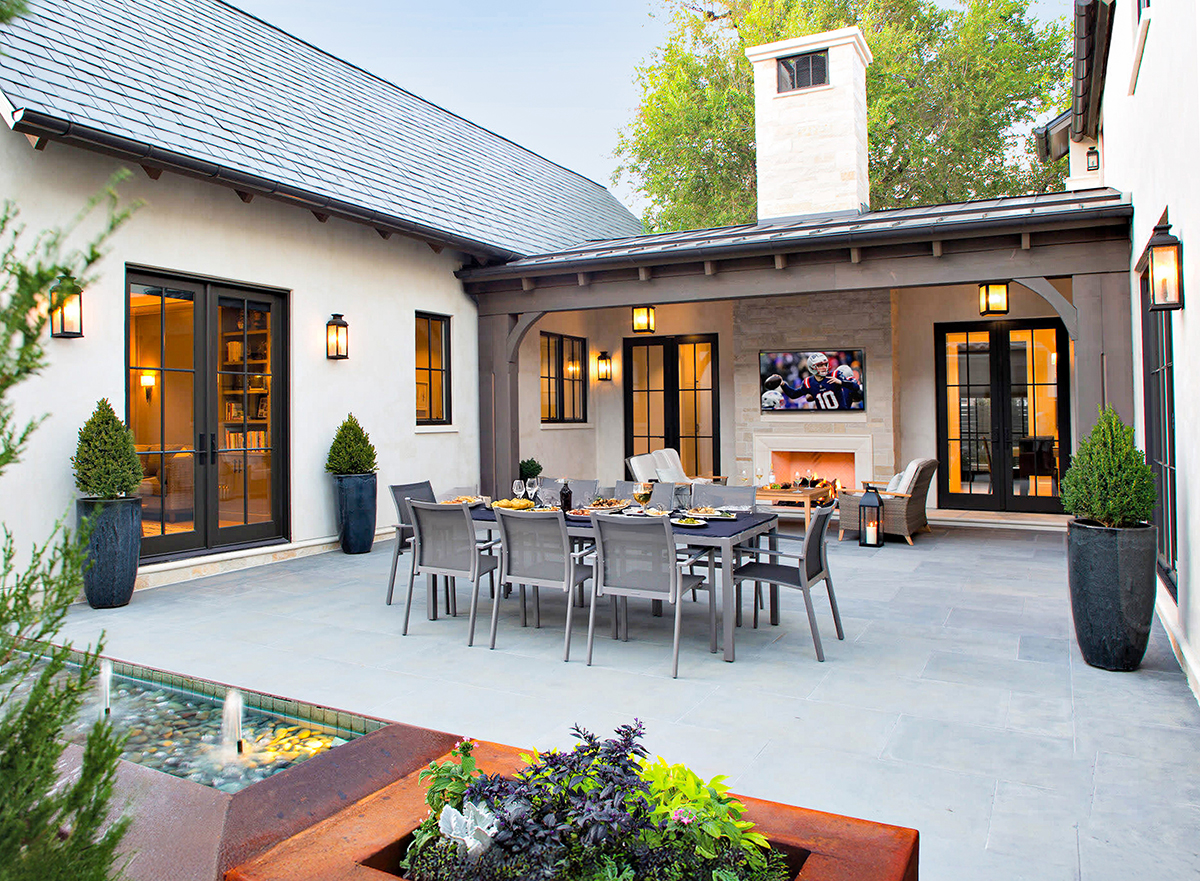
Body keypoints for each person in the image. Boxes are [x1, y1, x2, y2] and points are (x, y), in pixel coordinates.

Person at [764, 353, 863, 410]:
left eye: (825, 364)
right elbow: (794, 394)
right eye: (820, 365)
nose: (824, 367)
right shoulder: (808, 382)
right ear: (812, 367)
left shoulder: (835, 375)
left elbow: (856, 387)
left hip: (841, 415)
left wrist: (841, 382)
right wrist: (782, 383)